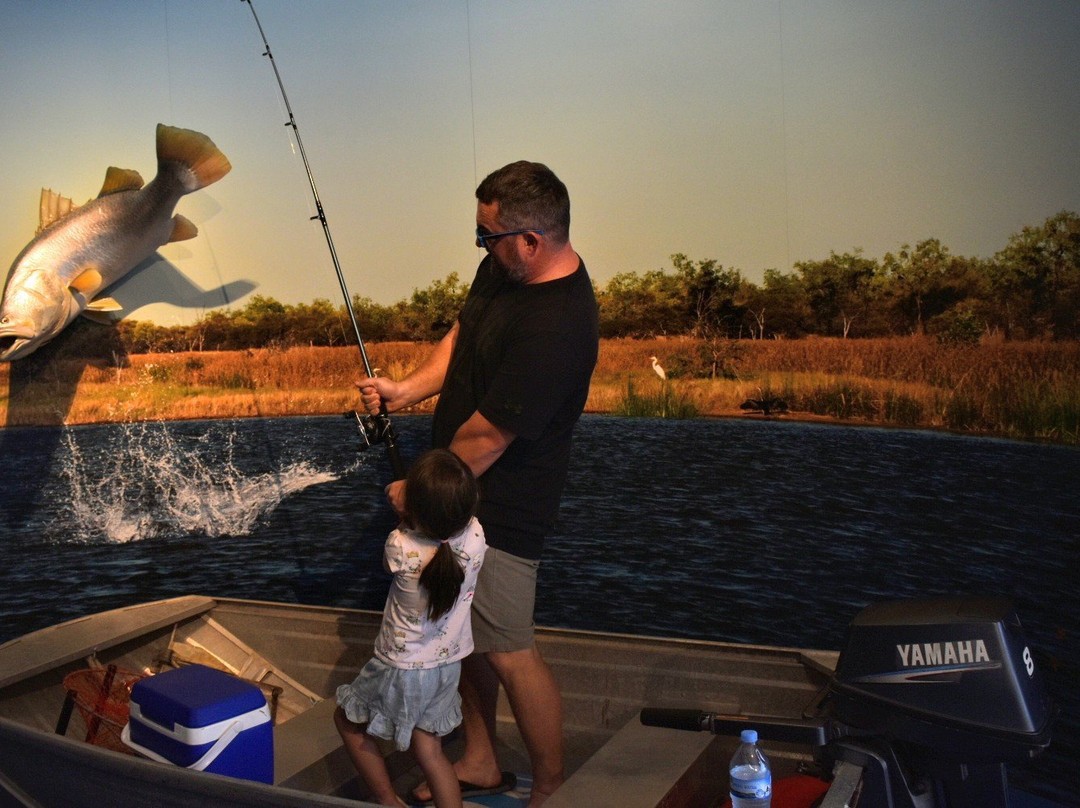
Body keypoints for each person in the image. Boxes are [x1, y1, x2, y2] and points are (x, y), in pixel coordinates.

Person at [357, 160, 598, 807]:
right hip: (456, 490)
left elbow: (489, 437)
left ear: (531, 240)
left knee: (510, 650)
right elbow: (463, 336)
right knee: (463, 640)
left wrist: (418, 491)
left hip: (506, 505)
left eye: (488, 237)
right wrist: (405, 390)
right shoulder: (503, 269)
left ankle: (551, 787)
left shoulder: (557, 326)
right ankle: (483, 760)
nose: (481, 247)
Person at [334, 449, 487, 808]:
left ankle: (387, 800)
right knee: (430, 751)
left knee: (347, 720)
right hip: (447, 668)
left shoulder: (399, 545)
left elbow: (405, 544)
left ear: (414, 509)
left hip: (400, 669)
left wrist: (404, 511)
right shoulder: (476, 535)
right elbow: (447, 523)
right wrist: (414, 508)